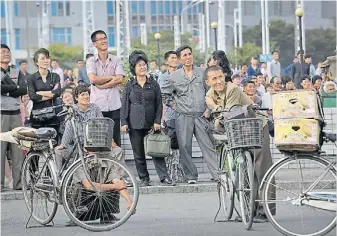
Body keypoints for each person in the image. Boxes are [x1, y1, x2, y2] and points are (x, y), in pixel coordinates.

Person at [205, 65, 275, 223]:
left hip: (256, 126)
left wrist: (213, 106)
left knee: (262, 168)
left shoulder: (233, 89)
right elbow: (219, 119)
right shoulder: (211, 92)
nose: (218, 81)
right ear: (208, 81)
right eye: (214, 79)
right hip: (239, 130)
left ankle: (265, 211)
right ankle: (249, 210)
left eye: (220, 77)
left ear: (225, 76)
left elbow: (227, 114)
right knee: (245, 171)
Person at [55, 85, 134, 224]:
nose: (85, 97)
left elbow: (103, 126)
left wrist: (111, 142)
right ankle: (75, 213)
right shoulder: (73, 110)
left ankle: (108, 211)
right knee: (81, 177)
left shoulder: (95, 108)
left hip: (97, 144)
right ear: (76, 97)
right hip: (80, 148)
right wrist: (63, 144)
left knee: (117, 153)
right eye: (82, 94)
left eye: (87, 94)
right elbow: (68, 130)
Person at [161, 45, 218, 184]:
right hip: (183, 116)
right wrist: (174, 106)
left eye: (189, 54)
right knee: (185, 147)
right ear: (180, 60)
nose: (188, 57)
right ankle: (191, 176)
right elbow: (164, 94)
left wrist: (208, 110)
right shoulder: (174, 76)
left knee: (208, 146)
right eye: (184, 55)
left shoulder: (202, 72)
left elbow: (211, 92)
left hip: (201, 115)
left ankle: (217, 174)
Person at [121, 50, 171, 187]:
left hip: (151, 124)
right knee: (138, 153)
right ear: (134, 69)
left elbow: (159, 104)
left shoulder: (153, 84)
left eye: (144, 64)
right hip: (134, 123)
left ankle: (164, 177)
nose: (142, 67)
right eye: (139, 65)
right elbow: (125, 104)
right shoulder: (130, 85)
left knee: (157, 151)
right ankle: (144, 178)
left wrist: (157, 121)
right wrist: (124, 122)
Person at [86, 30, 124, 147]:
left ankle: (116, 165)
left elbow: (120, 79)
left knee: (116, 140)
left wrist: (102, 85)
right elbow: (93, 79)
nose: (104, 41)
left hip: (114, 105)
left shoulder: (116, 60)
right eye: (100, 39)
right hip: (98, 107)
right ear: (94, 44)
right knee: (100, 141)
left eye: (105, 38)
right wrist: (111, 77)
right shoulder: (91, 61)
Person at [0, 44, 27, 190]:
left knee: (18, 149)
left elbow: (24, 89)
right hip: (1, 114)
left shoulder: (16, 71)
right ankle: (1, 184)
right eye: (3, 52)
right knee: (1, 149)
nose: (6, 54)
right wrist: (14, 89)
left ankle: (17, 183)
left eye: (8, 52)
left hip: (16, 113)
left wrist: (9, 90)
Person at [158, 50, 185, 184]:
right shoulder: (163, 77)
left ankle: (182, 173)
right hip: (170, 114)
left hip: (184, 113)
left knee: (183, 143)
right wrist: (162, 116)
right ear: (166, 61)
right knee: (172, 143)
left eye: (176, 58)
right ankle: (172, 173)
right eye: (172, 58)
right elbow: (162, 98)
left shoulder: (183, 74)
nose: (175, 60)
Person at [27, 48, 62, 136]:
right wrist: (51, 94)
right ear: (36, 62)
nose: (46, 61)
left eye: (47, 58)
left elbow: (57, 92)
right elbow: (33, 97)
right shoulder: (31, 78)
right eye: (43, 58)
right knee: (39, 143)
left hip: (53, 115)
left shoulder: (55, 76)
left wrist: (39, 93)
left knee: (54, 142)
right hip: (37, 116)